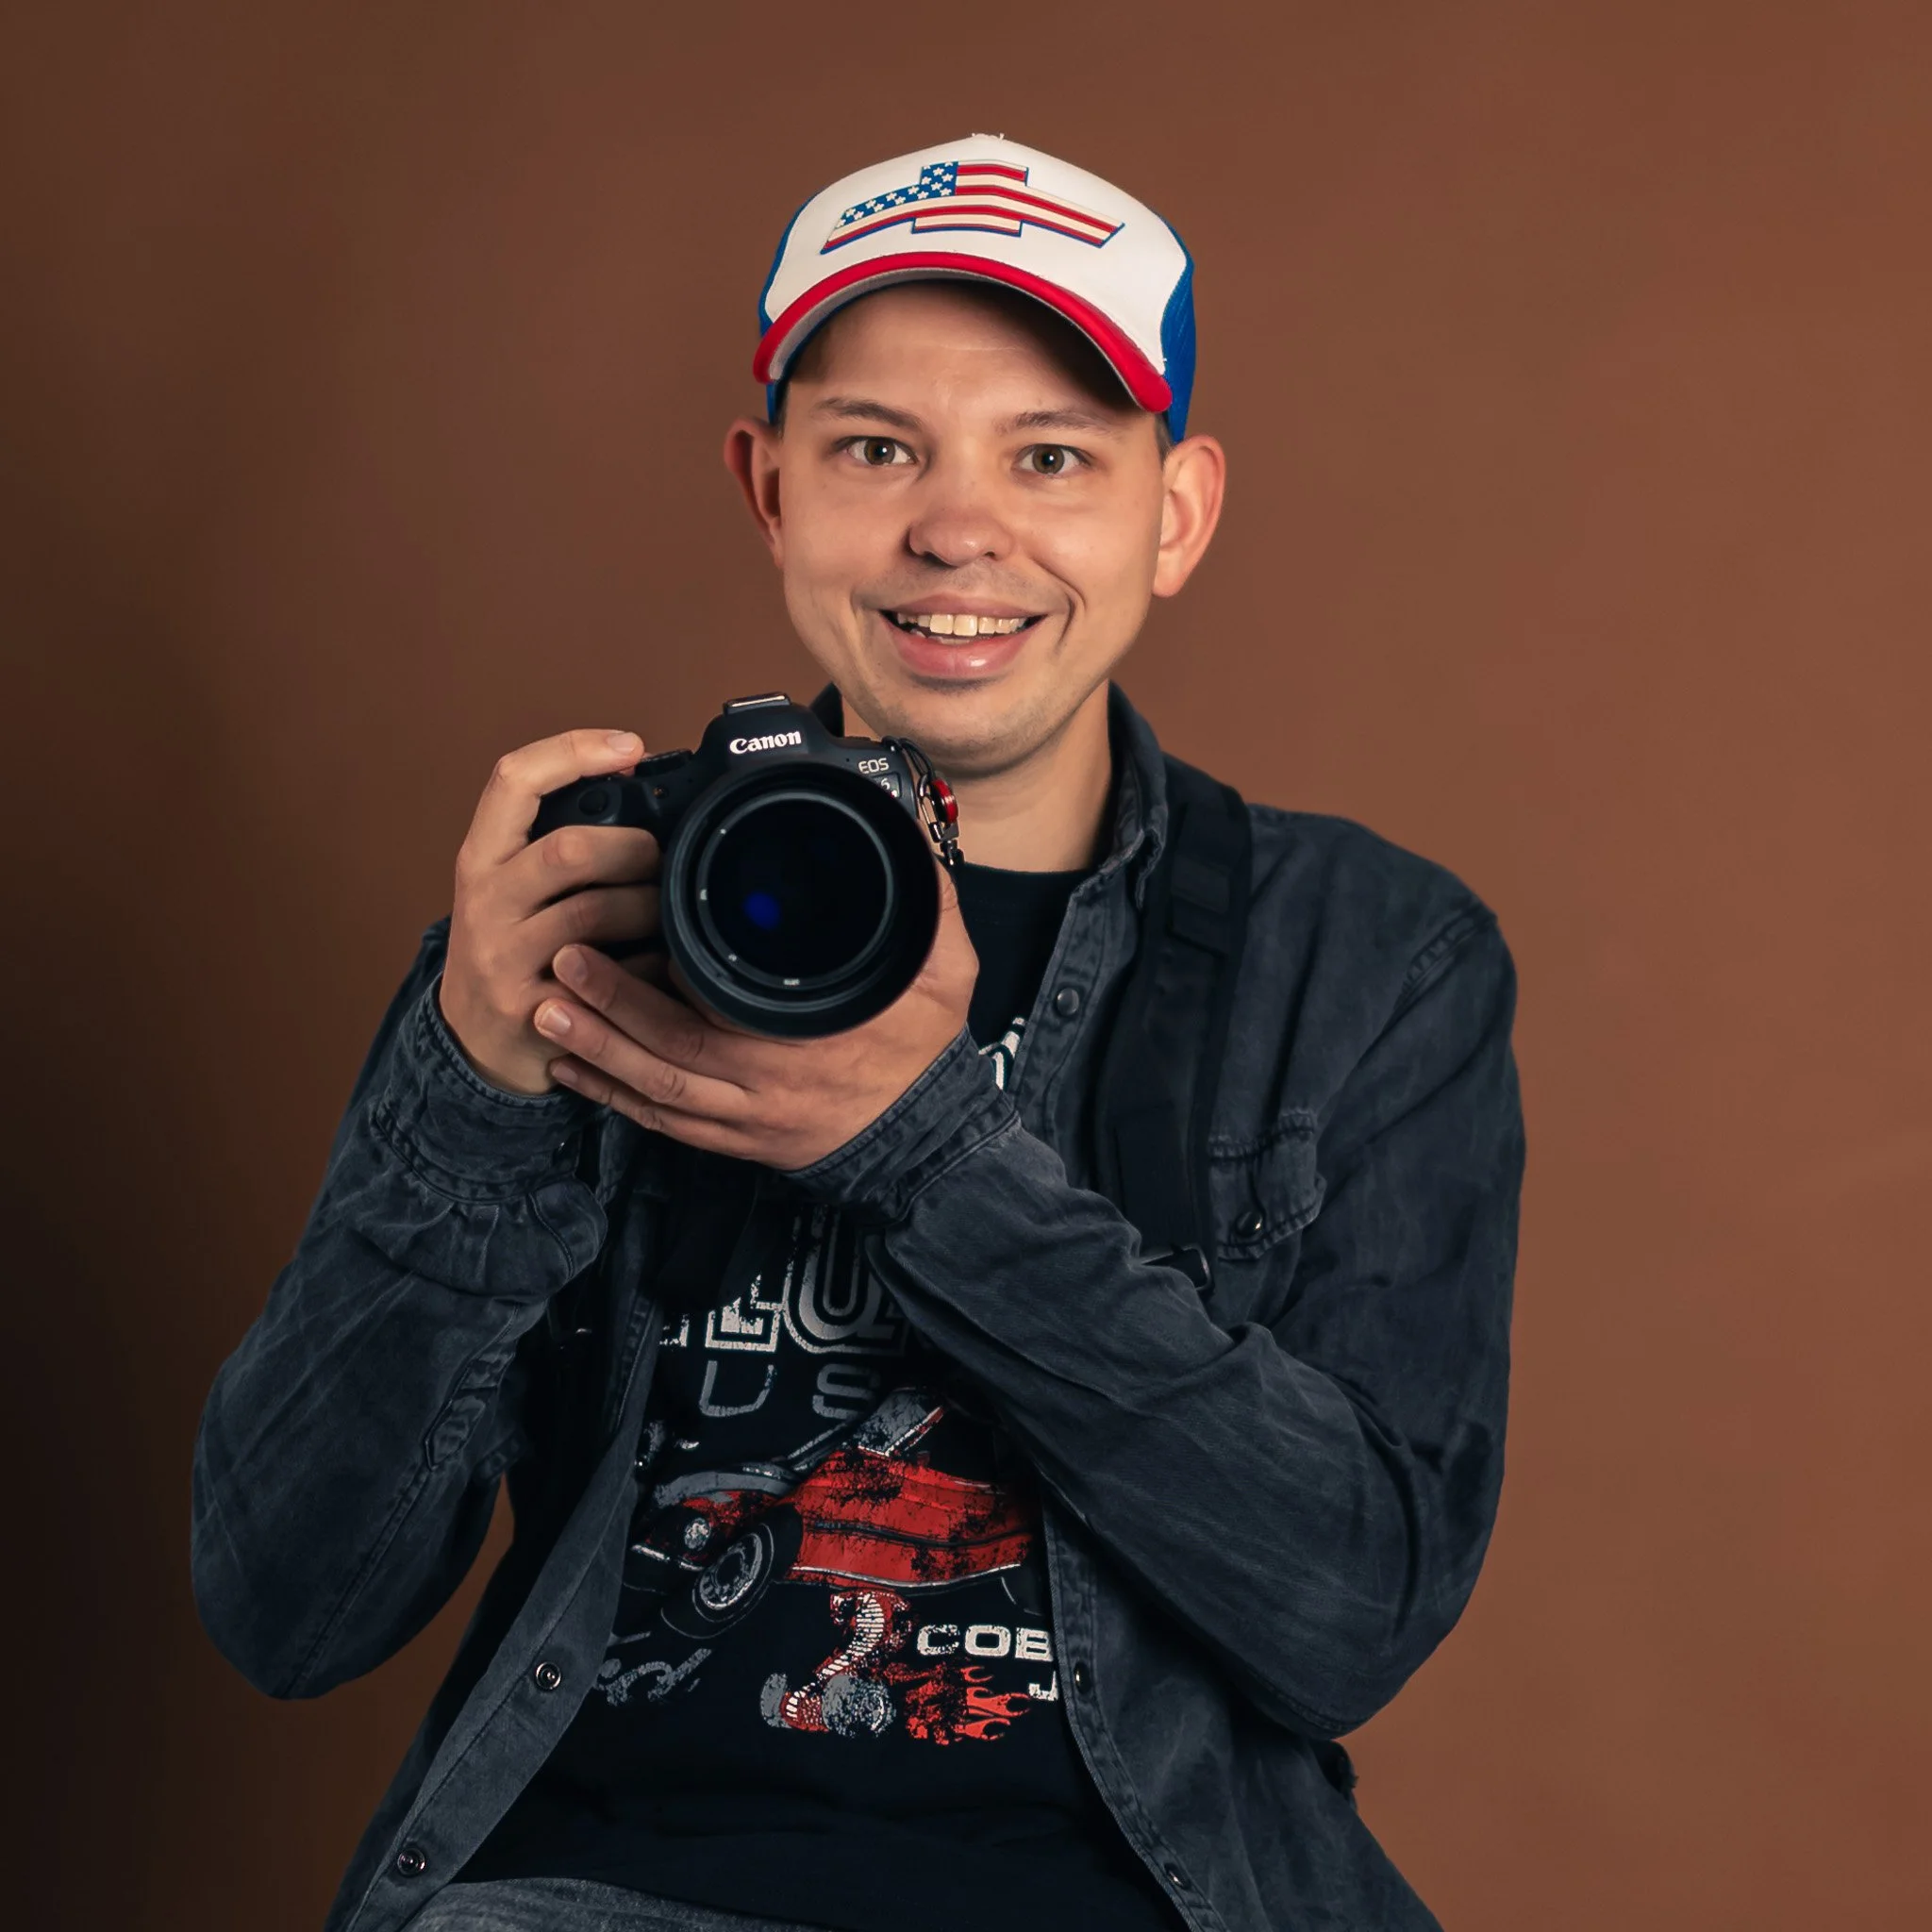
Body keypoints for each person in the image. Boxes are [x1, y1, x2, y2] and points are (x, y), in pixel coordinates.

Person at [192, 136, 1524, 1932]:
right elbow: (290, 1614)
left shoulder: (1366, 958)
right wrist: (472, 1093)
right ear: (767, 489)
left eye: (1050, 455)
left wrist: (920, 1154)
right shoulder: (584, 911)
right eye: (876, 447)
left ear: (1176, 513)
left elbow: (1347, 1611)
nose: (955, 527)